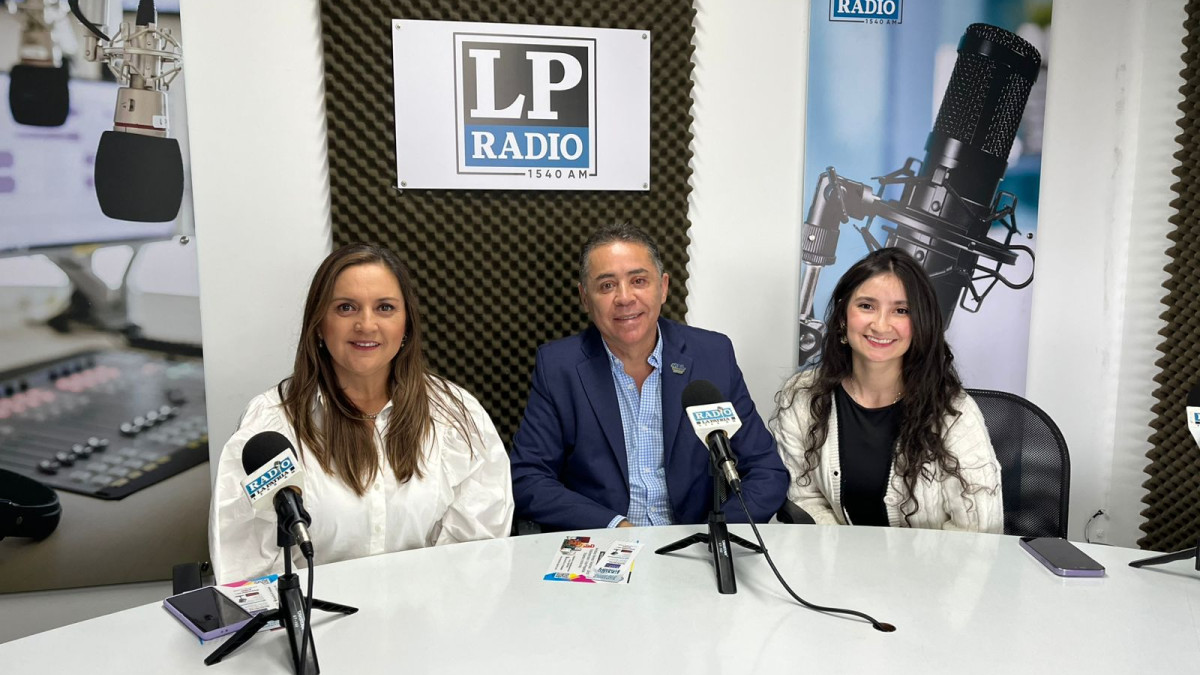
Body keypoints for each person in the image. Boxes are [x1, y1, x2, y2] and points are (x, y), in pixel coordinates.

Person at [210, 244, 513, 583]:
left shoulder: (456, 415)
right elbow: (246, 568)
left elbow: (477, 553)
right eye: (346, 308)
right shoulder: (271, 424)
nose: (366, 325)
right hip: (315, 626)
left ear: (407, 325)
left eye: (385, 307)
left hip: (429, 620)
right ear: (319, 325)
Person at [510, 223, 787, 531]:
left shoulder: (712, 356)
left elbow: (766, 469)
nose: (625, 298)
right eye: (606, 286)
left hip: (696, 544)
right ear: (585, 298)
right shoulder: (558, 366)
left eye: (639, 280)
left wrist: (720, 534)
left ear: (664, 287)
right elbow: (528, 477)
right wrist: (614, 525)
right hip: (605, 545)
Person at [771, 247, 1003, 532]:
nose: (881, 325)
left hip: (935, 573)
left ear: (919, 325)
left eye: (901, 310)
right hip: (836, 569)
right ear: (844, 317)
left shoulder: (954, 412)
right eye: (866, 306)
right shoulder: (803, 397)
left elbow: (979, 530)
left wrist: (902, 572)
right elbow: (804, 498)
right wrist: (843, 562)